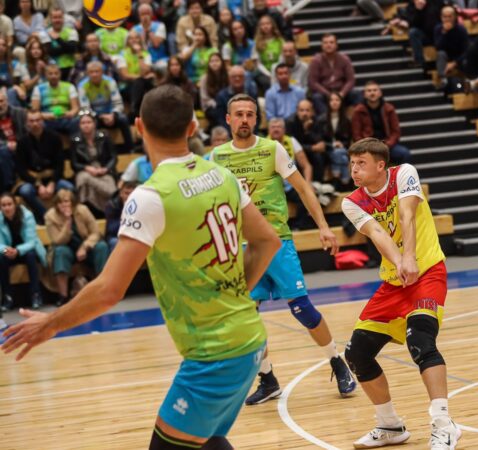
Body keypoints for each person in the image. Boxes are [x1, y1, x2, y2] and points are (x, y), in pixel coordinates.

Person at [2, 84, 282, 450]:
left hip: (214, 355)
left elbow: (109, 290)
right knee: (206, 443)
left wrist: (50, 323)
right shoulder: (222, 176)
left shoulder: (150, 196)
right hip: (249, 340)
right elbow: (268, 241)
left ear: (138, 127)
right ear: (192, 128)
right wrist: (237, 294)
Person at [208, 93, 356, 405]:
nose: (245, 119)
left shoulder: (272, 149)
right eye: (239, 114)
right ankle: (268, 379)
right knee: (246, 317)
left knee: (302, 308)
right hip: (243, 247)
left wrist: (324, 227)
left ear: (256, 118)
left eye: (250, 114)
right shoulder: (217, 157)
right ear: (228, 119)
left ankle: (337, 362)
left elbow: (303, 188)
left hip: (277, 242)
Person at [341, 137, 459, 450]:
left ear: (381, 165)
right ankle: (390, 425)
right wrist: (400, 263)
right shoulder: (351, 201)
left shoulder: (404, 173)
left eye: (361, 163)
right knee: (356, 353)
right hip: (394, 283)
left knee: (420, 340)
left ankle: (444, 424)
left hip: (427, 271)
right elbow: (377, 233)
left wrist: (410, 258)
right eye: (352, 163)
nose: (354, 169)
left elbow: (407, 214)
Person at [44, 189, 109, 306]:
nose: (63, 205)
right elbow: (57, 241)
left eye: (66, 201)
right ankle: (63, 296)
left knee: (102, 247)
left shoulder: (82, 210)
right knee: (60, 252)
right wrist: (67, 222)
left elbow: (95, 232)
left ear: (72, 202)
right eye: (60, 202)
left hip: (85, 246)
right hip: (66, 247)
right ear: (56, 204)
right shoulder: (50, 216)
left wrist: (85, 246)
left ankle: (102, 291)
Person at [14, 110, 74, 224]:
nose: (35, 124)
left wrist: (52, 183)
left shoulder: (55, 138)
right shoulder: (22, 142)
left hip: (53, 178)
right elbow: (21, 169)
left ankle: (66, 216)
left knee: (69, 187)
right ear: (27, 123)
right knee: (25, 191)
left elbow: (60, 165)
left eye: (37, 120)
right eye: (32, 121)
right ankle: (45, 216)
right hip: (32, 180)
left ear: (42, 121)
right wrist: (38, 185)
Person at [0, 192, 45, 311]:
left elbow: (31, 241)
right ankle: (7, 297)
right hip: (9, 251)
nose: (7, 208)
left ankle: (36, 295)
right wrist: (6, 250)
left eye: (9, 204)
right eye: (3, 205)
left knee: (30, 256)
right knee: (2, 258)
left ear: (15, 204)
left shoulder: (27, 215)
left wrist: (18, 250)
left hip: (26, 250)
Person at [78, 61, 134, 153]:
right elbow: (85, 107)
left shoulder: (110, 82)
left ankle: (130, 148)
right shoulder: (82, 85)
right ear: (87, 73)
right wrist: (100, 116)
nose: (94, 74)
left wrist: (113, 114)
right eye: (91, 72)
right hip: (95, 116)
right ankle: (97, 151)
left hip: (111, 114)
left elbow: (118, 102)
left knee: (123, 118)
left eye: (97, 71)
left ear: (102, 72)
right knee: (88, 123)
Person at [352, 81, 410, 165]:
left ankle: (400, 174)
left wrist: (387, 145)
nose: (372, 93)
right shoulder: (358, 110)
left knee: (404, 153)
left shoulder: (389, 108)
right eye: (369, 90)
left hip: (386, 145)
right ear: (364, 94)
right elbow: (356, 135)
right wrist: (367, 147)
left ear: (380, 93)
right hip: (367, 147)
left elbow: (396, 132)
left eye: (375, 90)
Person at [70, 111, 117, 214]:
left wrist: (106, 169)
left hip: (103, 170)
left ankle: (106, 210)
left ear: (94, 123)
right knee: (82, 179)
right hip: (85, 171)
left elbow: (113, 157)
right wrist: (87, 168)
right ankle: (87, 211)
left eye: (88, 122)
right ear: (79, 125)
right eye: (83, 123)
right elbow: (74, 164)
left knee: (110, 189)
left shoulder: (104, 136)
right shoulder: (75, 140)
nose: (86, 125)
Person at [308, 33, 359, 116]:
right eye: (325, 43)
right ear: (322, 46)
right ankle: (327, 119)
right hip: (325, 93)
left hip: (341, 92)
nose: (328, 45)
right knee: (316, 97)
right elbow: (313, 82)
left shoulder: (344, 59)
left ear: (336, 45)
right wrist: (328, 95)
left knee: (356, 94)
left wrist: (342, 93)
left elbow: (351, 80)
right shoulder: (316, 61)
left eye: (331, 42)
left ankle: (355, 120)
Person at [30, 63, 80, 136]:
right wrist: (45, 115)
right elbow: (35, 111)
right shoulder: (38, 88)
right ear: (46, 75)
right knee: (38, 123)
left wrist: (70, 113)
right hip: (47, 119)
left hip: (65, 118)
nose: (53, 76)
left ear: (60, 74)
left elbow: (75, 108)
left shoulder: (69, 86)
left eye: (56, 73)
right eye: (50, 74)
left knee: (77, 121)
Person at [103, 181, 136, 253]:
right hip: (114, 237)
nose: (129, 196)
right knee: (116, 242)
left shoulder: (139, 206)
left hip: (133, 236)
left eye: (132, 194)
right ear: (121, 193)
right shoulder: (112, 205)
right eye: (126, 193)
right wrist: (125, 214)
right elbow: (112, 229)